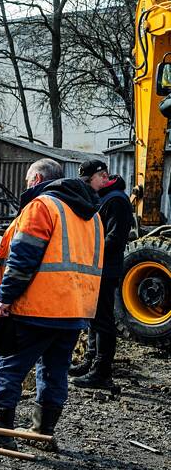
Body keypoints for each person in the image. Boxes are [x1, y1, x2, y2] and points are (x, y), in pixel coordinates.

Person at [0, 159, 103, 448]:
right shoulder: (91, 215)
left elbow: (22, 258)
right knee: (54, 369)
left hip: (38, 307)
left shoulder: (43, 207)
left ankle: (1, 434)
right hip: (76, 309)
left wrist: (4, 298)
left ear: (35, 179)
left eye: (26, 181)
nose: (26, 187)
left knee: (9, 364)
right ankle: (42, 432)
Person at [70, 160, 132, 390]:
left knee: (103, 320)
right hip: (96, 268)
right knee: (93, 317)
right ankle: (90, 361)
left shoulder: (116, 200)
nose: (87, 185)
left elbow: (115, 239)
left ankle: (102, 372)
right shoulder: (103, 198)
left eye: (89, 181)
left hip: (105, 270)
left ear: (103, 177)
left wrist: (88, 252)